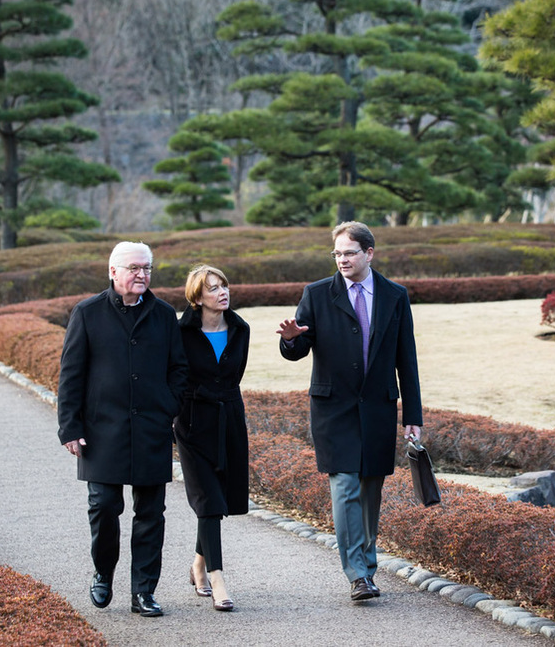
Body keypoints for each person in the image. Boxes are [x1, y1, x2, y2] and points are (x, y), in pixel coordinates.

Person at [277, 221, 423, 602]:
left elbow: (406, 358)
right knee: (344, 486)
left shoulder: (395, 295)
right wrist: (292, 341)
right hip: (333, 408)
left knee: (370, 489)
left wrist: (413, 416)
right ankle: (358, 574)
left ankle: (368, 568)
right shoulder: (317, 293)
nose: (342, 259)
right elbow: (297, 348)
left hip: (377, 406)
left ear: (369, 253)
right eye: (337, 253)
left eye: (349, 252)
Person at [57, 241, 189, 618]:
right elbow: (70, 376)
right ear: (113, 272)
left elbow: (178, 369)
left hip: (151, 429)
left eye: (146, 268)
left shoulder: (164, 315)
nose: (141, 274)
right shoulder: (87, 313)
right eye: (133, 268)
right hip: (102, 431)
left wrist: (168, 406)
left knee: (151, 514)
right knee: (103, 507)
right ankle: (103, 573)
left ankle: (143, 592)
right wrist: (69, 427)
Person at [174, 265, 250, 612]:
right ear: (197, 297)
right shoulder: (181, 332)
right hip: (192, 424)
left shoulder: (240, 328)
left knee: (220, 497)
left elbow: (234, 377)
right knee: (208, 500)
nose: (222, 293)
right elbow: (173, 377)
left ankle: (198, 563)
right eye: (213, 288)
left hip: (229, 420)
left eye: (224, 286)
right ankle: (217, 577)